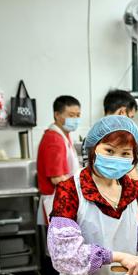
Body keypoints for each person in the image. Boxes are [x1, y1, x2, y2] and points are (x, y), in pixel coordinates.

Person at [48, 115, 138, 275]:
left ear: (134, 158)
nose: (117, 158)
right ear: (93, 148)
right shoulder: (70, 189)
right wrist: (118, 257)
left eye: (125, 153)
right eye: (110, 151)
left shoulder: (134, 190)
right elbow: (64, 253)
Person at [36, 95, 82, 225]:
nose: (76, 119)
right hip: (57, 202)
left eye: (78, 115)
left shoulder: (63, 136)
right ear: (57, 115)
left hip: (62, 199)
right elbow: (57, 178)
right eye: (71, 115)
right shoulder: (54, 139)